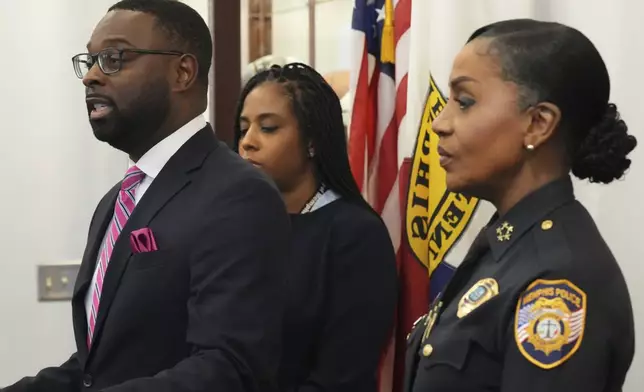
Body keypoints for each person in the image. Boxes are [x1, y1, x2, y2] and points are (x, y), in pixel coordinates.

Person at [4, 1, 290, 391]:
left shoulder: (238, 196)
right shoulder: (117, 201)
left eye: (114, 58)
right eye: (90, 60)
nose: (90, 76)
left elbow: (229, 369)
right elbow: (97, 369)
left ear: (183, 72)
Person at [404, 19, 636, 392]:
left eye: (464, 102)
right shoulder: (506, 247)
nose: (438, 124)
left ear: (538, 124)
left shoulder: (558, 280)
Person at [235, 63, 398, 392]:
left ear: (312, 141)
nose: (248, 142)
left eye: (267, 128)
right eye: (243, 128)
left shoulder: (355, 234)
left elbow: (343, 376)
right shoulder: (235, 224)